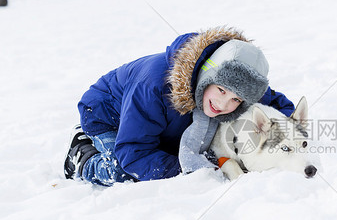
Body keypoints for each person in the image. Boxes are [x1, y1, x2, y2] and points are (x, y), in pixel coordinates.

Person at [64, 27, 294, 186]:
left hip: (160, 125)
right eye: (221, 90)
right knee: (125, 172)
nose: (224, 104)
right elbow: (134, 154)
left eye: (236, 100)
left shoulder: (240, 85)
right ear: (206, 76)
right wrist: (197, 168)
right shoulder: (153, 86)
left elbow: (278, 106)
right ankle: (82, 157)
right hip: (108, 115)